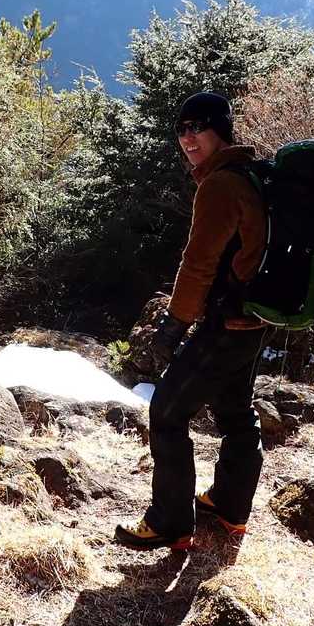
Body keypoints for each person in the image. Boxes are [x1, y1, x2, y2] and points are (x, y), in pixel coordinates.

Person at [116, 91, 270, 550]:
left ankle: (171, 523)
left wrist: (173, 326)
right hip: (256, 319)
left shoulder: (221, 184)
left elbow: (198, 264)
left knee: (167, 411)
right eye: (180, 129)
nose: (187, 138)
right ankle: (229, 506)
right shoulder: (252, 174)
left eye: (197, 126)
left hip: (229, 323)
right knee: (236, 411)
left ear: (220, 130)